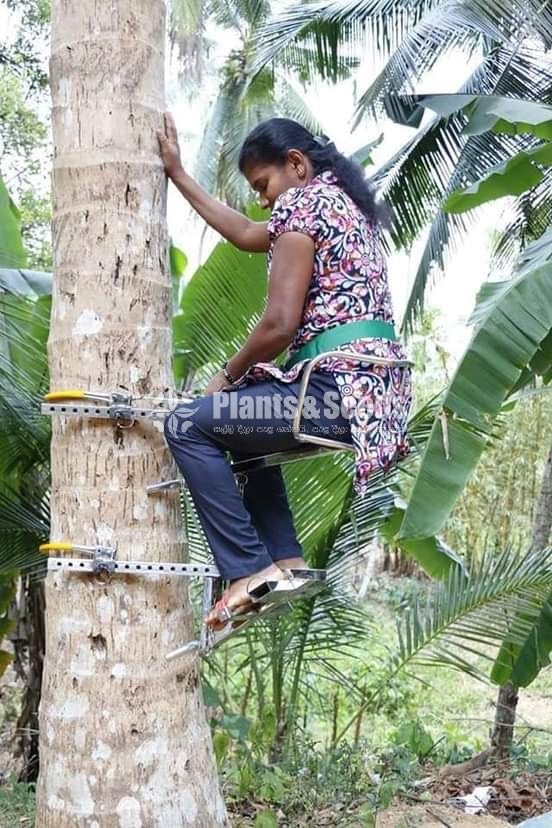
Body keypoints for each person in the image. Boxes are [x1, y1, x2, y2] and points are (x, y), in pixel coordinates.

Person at [157, 113, 412, 628]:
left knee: (187, 426)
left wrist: (226, 375)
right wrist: (179, 175)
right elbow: (250, 233)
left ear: (295, 164)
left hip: (333, 391)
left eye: (263, 184)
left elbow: (278, 323)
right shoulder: (343, 206)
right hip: (368, 401)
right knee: (245, 428)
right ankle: (285, 561)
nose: (262, 199)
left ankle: (247, 571)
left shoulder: (305, 202)